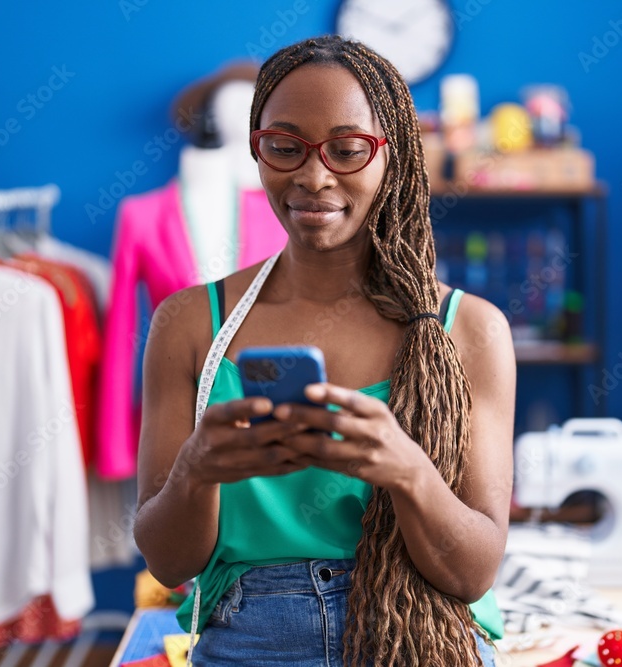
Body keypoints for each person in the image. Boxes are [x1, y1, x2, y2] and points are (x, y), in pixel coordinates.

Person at [132, 35, 516, 666]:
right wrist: (196, 470)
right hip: (251, 637)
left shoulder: (467, 331)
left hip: (418, 639)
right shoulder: (189, 325)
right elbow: (169, 561)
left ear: (393, 155)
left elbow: (473, 574)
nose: (313, 177)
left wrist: (407, 471)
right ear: (256, 152)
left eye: (347, 150)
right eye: (284, 147)